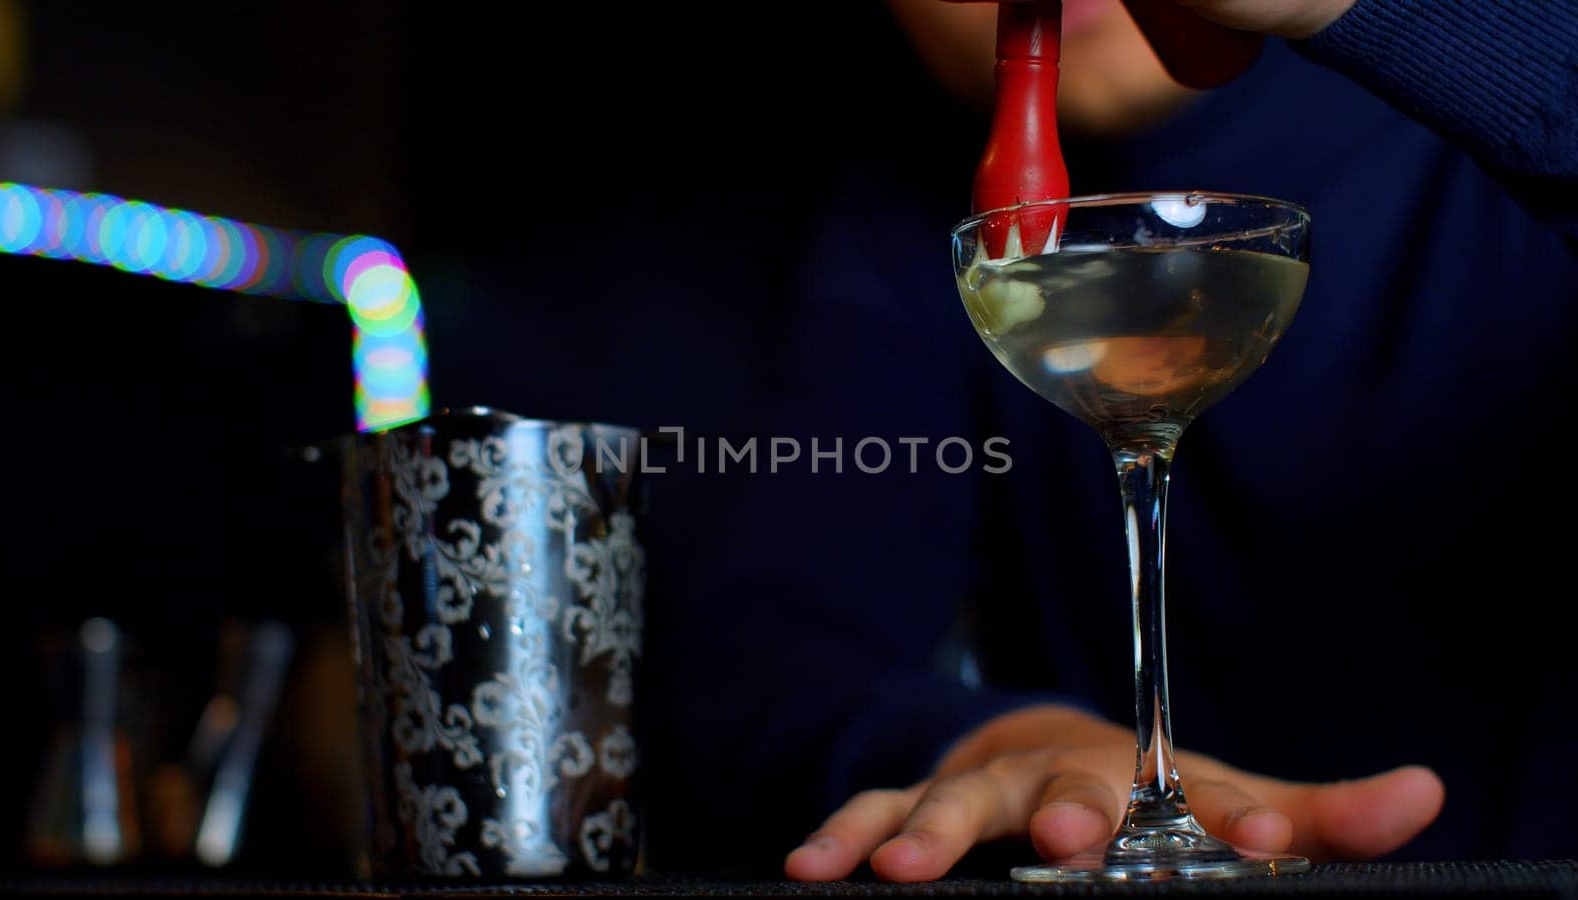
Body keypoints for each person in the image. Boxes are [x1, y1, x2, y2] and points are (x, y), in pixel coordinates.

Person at [626, 0, 1578, 882]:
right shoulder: (914, 225)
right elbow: (753, 671)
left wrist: (1380, 11)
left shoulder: (1489, 142)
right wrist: (1004, 748)